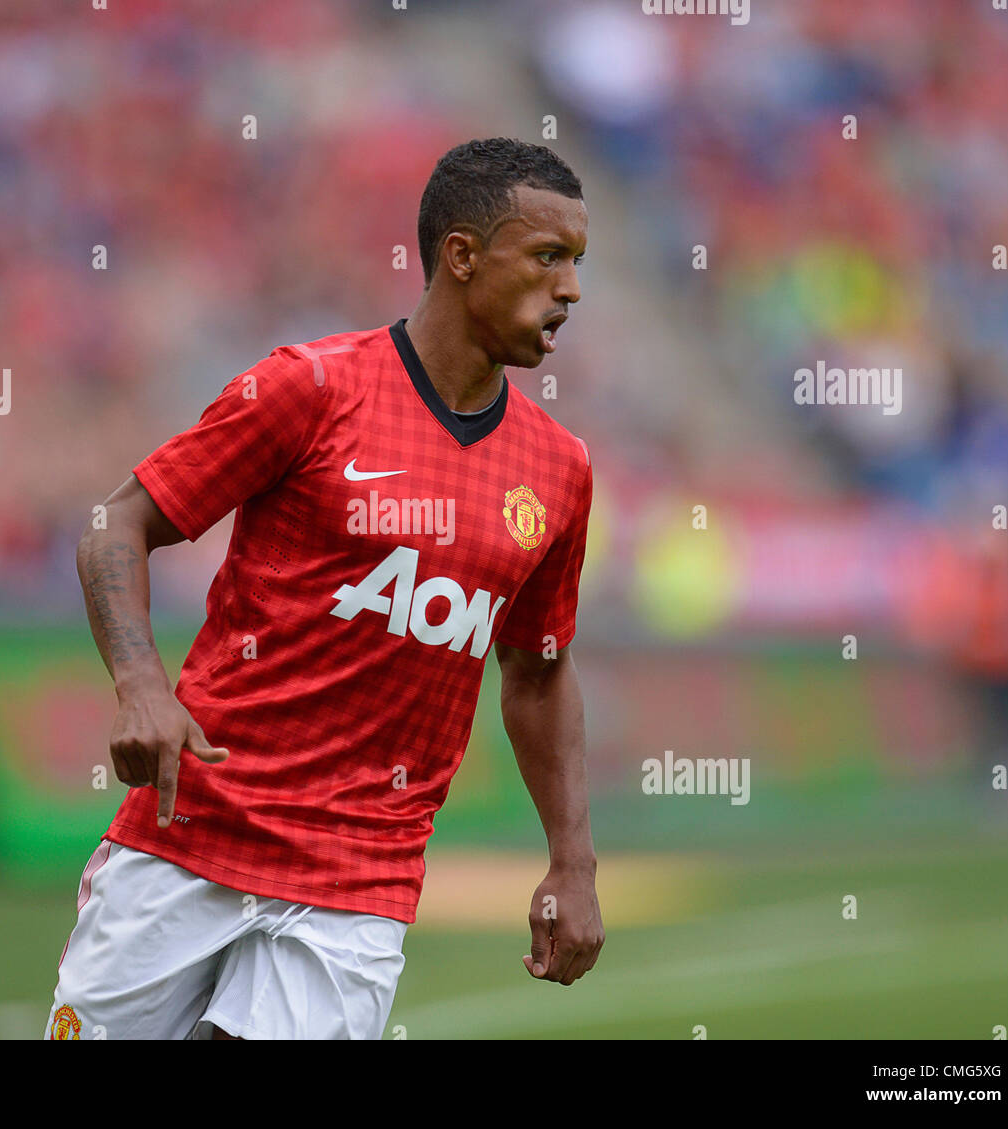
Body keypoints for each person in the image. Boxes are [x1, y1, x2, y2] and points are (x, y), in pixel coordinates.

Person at [45, 137, 603, 1040]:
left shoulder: (559, 470)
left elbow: (538, 670)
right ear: (462, 255)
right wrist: (141, 684)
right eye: (549, 257)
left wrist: (572, 862)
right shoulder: (309, 389)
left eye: (578, 262)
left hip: (358, 879)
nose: (571, 288)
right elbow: (118, 523)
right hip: (193, 833)